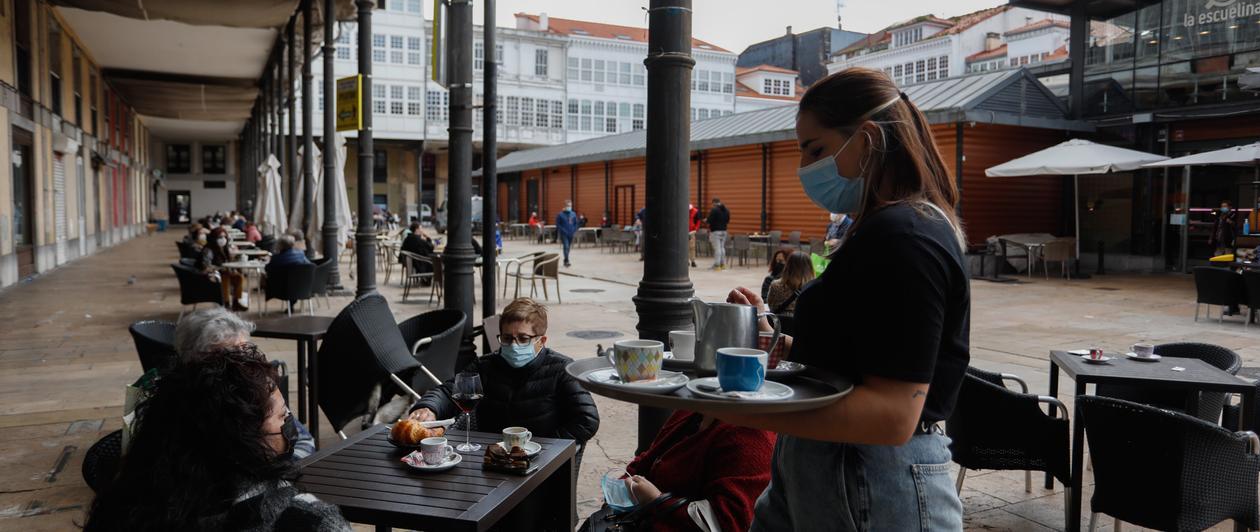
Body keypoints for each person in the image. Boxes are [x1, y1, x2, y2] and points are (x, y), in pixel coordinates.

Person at [711, 67, 969, 530]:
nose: (806, 168)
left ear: (867, 139)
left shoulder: (905, 235)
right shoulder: (880, 228)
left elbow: (893, 415)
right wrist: (775, 343)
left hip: (874, 475)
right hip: (830, 467)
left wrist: (729, 405)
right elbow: (862, 356)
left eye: (816, 150)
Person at [84, 345, 347, 531]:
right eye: (281, 415)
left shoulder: (120, 507)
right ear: (243, 437)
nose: (290, 420)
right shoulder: (306, 520)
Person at [406, 298, 599, 446]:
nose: (514, 345)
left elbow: (587, 420)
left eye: (523, 339)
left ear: (541, 341)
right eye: (507, 338)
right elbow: (450, 390)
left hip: (542, 465)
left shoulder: (562, 369)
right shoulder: (486, 365)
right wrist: (428, 407)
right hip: (491, 458)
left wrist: (548, 447)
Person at [592, 410, 776, 532]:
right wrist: (624, 487)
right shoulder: (690, 411)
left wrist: (655, 500)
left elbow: (728, 524)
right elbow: (649, 458)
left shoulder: (751, 436)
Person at [171, 308, 316, 461]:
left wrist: (281, 472)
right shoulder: (183, 404)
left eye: (247, 351)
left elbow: (303, 440)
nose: (247, 363)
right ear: (197, 360)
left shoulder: (258, 387)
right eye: (233, 356)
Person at [201, 227, 248, 311]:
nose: (223, 239)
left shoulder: (224, 249)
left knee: (239, 277)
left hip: (222, 272)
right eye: (220, 237)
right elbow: (206, 265)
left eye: (224, 237)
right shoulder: (209, 249)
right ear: (214, 238)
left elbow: (227, 262)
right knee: (225, 277)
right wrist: (220, 268)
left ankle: (236, 302)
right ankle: (225, 303)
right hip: (210, 275)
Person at [767, 251, 814, 317]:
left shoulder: (775, 285)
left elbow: (771, 306)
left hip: (779, 325)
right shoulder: (813, 288)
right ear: (810, 268)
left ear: (787, 265)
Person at [708, 198, 731, 271]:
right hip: (724, 231)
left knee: (717, 248)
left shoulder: (714, 210)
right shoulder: (726, 210)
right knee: (722, 248)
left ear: (714, 203)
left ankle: (717, 265)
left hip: (715, 231)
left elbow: (709, 220)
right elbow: (727, 220)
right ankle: (722, 264)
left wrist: (707, 220)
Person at [556, 200, 580, 267]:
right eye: (568, 206)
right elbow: (558, 224)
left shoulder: (573, 214)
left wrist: (574, 230)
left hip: (571, 233)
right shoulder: (560, 214)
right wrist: (562, 230)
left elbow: (576, 223)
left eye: (570, 206)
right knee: (566, 246)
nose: (569, 207)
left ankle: (566, 259)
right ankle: (567, 260)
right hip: (564, 234)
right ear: (565, 206)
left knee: (568, 247)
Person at [688, 203, 701, 268]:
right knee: (684, 247)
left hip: (691, 231)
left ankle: (693, 260)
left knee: (692, 247)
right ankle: (686, 261)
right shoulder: (683, 210)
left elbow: (698, 221)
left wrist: (695, 229)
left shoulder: (695, 211)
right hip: (683, 231)